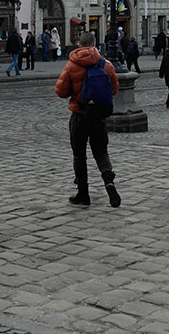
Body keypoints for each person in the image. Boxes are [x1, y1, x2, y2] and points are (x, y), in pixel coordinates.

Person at [54, 32, 120, 207]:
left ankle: (83, 194)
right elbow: (114, 90)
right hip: (99, 117)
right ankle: (108, 181)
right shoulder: (106, 65)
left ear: (79, 45)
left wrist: (76, 92)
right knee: (101, 151)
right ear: (94, 44)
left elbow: (60, 91)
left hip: (79, 115)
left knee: (79, 155)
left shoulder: (71, 65)